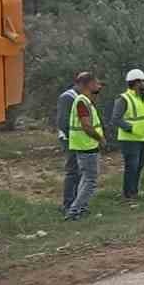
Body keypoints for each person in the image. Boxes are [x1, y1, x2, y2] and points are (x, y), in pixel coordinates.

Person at [64, 72, 106, 221]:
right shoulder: (82, 101)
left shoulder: (86, 100)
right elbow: (87, 126)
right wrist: (100, 138)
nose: (99, 86)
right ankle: (74, 211)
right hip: (87, 145)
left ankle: (80, 209)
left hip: (85, 145)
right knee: (90, 180)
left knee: (86, 179)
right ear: (89, 84)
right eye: (97, 83)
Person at [110, 69, 144, 199]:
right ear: (135, 83)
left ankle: (134, 192)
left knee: (139, 166)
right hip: (130, 139)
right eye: (143, 81)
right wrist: (131, 129)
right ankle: (128, 194)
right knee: (132, 167)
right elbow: (116, 119)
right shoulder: (124, 98)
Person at [56, 73, 87, 214]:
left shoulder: (81, 97)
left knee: (80, 172)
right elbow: (63, 122)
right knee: (73, 171)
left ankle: (77, 202)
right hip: (70, 140)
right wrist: (72, 138)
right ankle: (68, 204)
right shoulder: (67, 97)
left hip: (78, 140)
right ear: (81, 84)